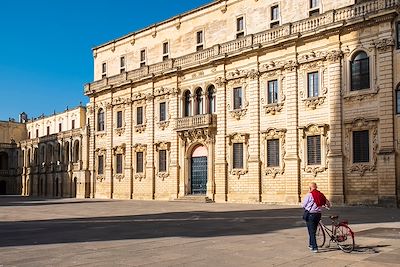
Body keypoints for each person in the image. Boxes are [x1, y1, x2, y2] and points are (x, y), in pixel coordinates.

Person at [301, 182, 331, 253]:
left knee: (311, 231)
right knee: (313, 230)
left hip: (311, 214)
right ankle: (311, 244)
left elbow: (303, 205)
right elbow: (328, 203)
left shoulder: (309, 195)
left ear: (310, 188)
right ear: (316, 187)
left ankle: (314, 247)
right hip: (318, 214)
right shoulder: (320, 194)